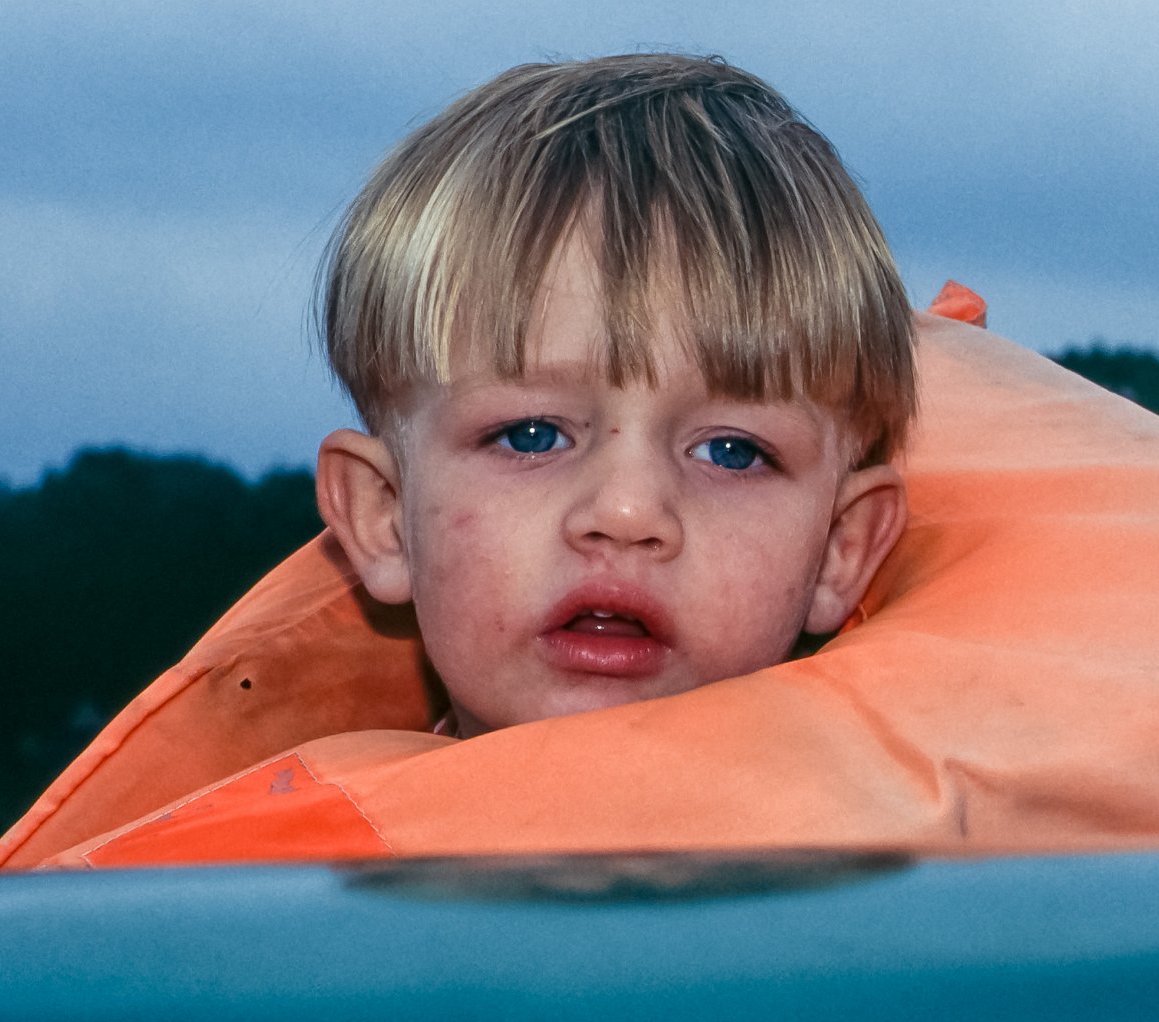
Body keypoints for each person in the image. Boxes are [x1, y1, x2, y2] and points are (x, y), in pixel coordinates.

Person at [313, 54, 913, 737]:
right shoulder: (260, 815)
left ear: (839, 548)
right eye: (532, 435)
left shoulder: (949, 814)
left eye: (732, 452)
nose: (627, 512)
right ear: (384, 516)